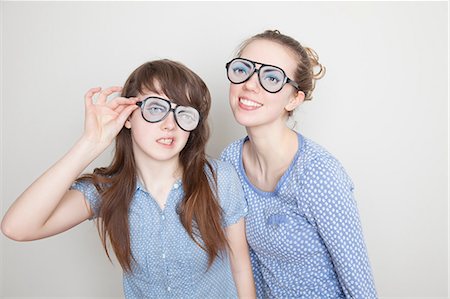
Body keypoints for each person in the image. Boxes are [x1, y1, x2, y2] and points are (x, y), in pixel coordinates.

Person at [1, 59, 256, 299]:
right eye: (156, 108)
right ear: (128, 116)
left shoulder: (218, 177)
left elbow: (240, 266)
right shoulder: (106, 190)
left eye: (184, 113)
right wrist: (90, 143)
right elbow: (17, 228)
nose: (170, 124)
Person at [220, 30, 378, 298]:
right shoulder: (229, 162)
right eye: (243, 69)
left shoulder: (318, 172)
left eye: (271, 77)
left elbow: (358, 281)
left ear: (294, 98)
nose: (249, 84)